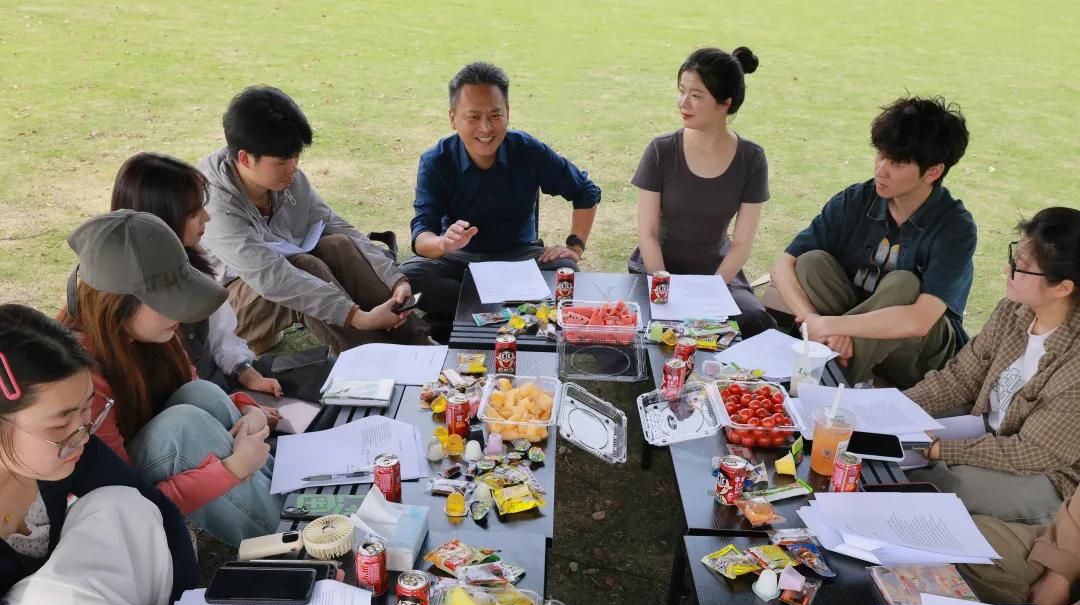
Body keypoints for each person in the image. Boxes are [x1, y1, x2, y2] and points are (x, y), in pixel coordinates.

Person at [1, 303, 196, 605]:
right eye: (59, 425)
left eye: (88, 408)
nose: (82, 432)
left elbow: (160, 514)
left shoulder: (66, 447)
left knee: (121, 505)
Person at [59, 210, 283, 546]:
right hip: (109, 505)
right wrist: (232, 468)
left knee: (201, 394)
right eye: (167, 301)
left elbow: (192, 390)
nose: (180, 311)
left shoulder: (151, 336)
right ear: (116, 304)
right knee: (180, 427)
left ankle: (298, 503)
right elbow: (125, 500)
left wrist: (248, 410)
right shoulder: (80, 379)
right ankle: (296, 538)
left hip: (139, 480)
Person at [197, 85, 428, 354]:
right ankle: (378, 363)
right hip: (223, 312)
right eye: (282, 161)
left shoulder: (286, 177)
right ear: (245, 158)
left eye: (296, 157)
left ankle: (422, 345)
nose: (293, 169)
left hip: (270, 286)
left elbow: (336, 225)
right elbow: (272, 277)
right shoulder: (214, 202)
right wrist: (357, 317)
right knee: (304, 267)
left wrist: (395, 280)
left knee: (338, 245)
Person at [770, 96, 975, 389]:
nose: (880, 169)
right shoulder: (856, 200)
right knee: (811, 262)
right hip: (848, 327)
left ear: (933, 171)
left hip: (918, 353)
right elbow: (783, 265)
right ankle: (835, 365)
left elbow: (919, 321)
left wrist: (830, 325)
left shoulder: (954, 228)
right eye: (880, 155)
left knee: (904, 284)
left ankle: (824, 382)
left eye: (896, 163)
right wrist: (811, 319)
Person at [403, 61, 602, 341]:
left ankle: (459, 318)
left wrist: (574, 247)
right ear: (453, 118)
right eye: (473, 117)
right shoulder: (436, 160)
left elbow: (585, 191)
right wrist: (443, 243)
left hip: (521, 258)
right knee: (409, 276)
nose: (485, 128)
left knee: (566, 273)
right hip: (460, 259)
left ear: (507, 113)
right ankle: (512, 317)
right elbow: (422, 233)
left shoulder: (528, 150)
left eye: (495, 115)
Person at [906, 208, 1080, 525]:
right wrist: (894, 406)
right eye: (1014, 259)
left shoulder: (1075, 364)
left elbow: (1035, 452)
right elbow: (960, 378)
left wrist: (942, 450)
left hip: (1049, 474)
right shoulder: (1014, 310)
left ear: (1062, 288)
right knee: (894, 435)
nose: (1006, 269)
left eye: (1020, 268)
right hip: (988, 428)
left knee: (939, 485)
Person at [111, 151, 283, 399]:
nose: (206, 217)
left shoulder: (192, 262)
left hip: (216, 392)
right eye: (193, 213)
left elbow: (221, 337)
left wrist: (246, 372)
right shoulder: (128, 299)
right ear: (161, 220)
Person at [631, 46, 775, 338]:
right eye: (682, 91)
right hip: (658, 271)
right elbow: (647, 233)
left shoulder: (751, 158)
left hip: (717, 274)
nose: (683, 102)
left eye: (696, 95)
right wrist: (664, 287)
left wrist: (710, 293)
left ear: (725, 103)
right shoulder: (661, 150)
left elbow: (741, 244)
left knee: (754, 321)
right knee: (647, 333)